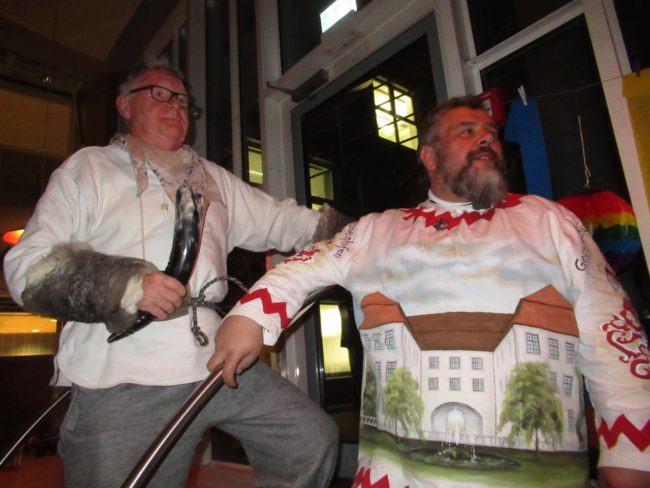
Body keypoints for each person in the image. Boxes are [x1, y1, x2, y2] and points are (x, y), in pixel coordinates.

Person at [212, 96, 650, 488]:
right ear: (430, 157)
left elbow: (613, 333)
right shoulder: (376, 230)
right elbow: (304, 267)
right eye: (467, 131)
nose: (486, 139)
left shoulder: (551, 222)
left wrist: (633, 449)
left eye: (491, 132)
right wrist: (250, 315)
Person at [3, 58, 344, 487]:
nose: (175, 106)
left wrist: (358, 234)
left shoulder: (212, 179)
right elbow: (28, 269)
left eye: (183, 100)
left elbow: (284, 221)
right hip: (120, 377)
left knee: (308, 440)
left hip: (218, 362)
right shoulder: (89, 168)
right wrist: (126, 286)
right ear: (124, 105)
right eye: (159, 94)